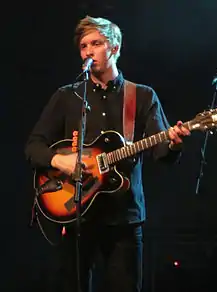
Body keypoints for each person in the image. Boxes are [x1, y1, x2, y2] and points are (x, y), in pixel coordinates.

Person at [25, 15, 190, 292]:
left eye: (96, 44)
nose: (88, 51)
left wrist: (173, 143)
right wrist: (59, 160)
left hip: (124, 219)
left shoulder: (142, 96)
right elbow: (34, 146)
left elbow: (161, 153)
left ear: (114, 48)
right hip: (77, 217)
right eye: (83, 46)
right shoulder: (68, 96)